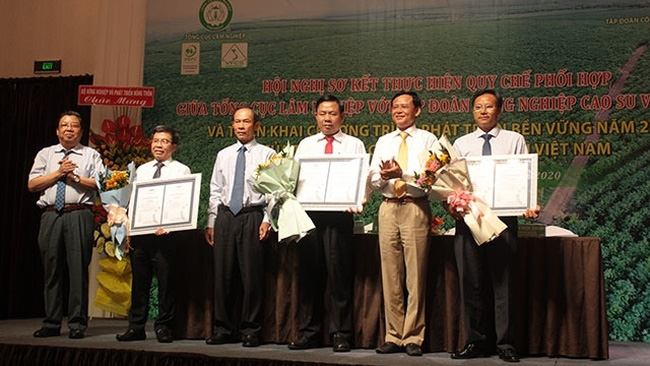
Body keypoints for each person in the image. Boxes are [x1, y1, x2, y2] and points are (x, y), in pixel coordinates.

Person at [450, 89, 539, 363]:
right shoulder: (461, 143)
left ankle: (506, 343)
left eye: (489, 107)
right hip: (469, 219)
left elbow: (524, 176)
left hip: (502, 220)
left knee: (504, 283)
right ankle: (476, 342)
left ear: (499, 110)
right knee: (471, 283)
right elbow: (453, 182)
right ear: (472, 111)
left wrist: (528, 202)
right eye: (478, 107)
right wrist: (452, 202)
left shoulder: (514, 140)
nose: (483, 111)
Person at [288, 95, 366, 352]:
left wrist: (358, 199)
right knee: (309, 275)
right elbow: (294, 179)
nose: (327, 118)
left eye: (333, 113)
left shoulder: (354, 145)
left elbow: (361, 178)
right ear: (316, 116)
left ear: (342, 117)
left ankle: (341, 333)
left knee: (339, 275)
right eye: (323, 113)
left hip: (340, 216)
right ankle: (308, 332)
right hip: (309, 216)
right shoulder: (306, 145)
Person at [368, 91, 439, 357]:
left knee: (416, 274)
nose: (399, 111)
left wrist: (403, 174)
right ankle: (393, 335)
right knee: (390, 274)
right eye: (395, 107)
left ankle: (413, 336)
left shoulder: (427, 139)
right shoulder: (384, 140)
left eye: (404, 106)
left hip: (415, 207)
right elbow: (374, 180)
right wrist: (384, 177)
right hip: (388, 208)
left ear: (417, 110)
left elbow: (431, 178)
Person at [28, 111, 104, 339]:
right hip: (51, 215)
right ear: (57, 131)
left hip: (79, 214)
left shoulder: (90, 154)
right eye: (64, 125)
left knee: (78, 269)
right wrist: (59, 172)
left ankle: (77, 324)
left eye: (73, 126)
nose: (68, 129)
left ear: (80, 131)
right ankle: (51, 322)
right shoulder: (46, 154)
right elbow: (33, 184)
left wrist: (76, 178)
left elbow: (102, 184)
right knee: (52, 270)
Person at [205, 107, 275, 348]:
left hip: (252, 216)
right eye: (237, 122)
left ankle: (250, 330)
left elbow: (275, 192)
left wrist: (267, 219)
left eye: (246, 121)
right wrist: (212, 221)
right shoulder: (223, 154)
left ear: (256, 125)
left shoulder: (268, 154)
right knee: (223, 275)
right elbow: (215, 190)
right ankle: (222, 328)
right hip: (225, 217)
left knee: (251, 275)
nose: (241, 126)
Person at [116, 125, 191, 343]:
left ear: (174, 147)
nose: (158, 145)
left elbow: (182, 202)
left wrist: (170, 223)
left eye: (164, 141)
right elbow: (133, 201)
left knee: (167, 283)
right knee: (140, 283)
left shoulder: (181, 170)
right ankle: (136, 327)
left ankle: (164, 327)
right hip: (141, 236)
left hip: (166, 236)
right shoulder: (142, 170)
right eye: (156, 141)